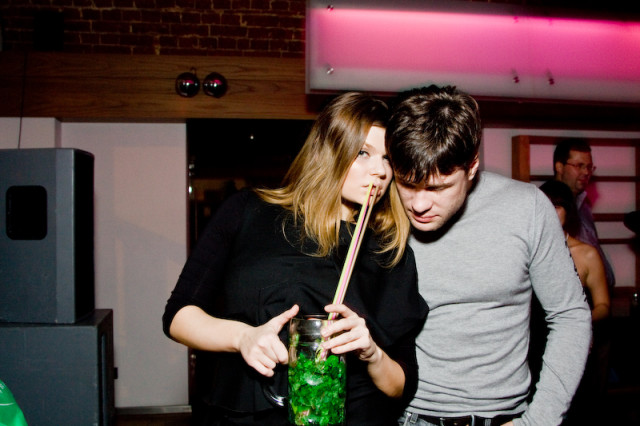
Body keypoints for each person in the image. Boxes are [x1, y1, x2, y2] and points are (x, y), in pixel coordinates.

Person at [162, 92, 428, 425]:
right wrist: (242, 337)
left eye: (388, 159)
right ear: (329, 151)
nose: (380, 171)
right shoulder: (247, 212)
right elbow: (178, 317)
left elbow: (401, 385)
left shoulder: (389, 251)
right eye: (363, 153)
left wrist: (372, 353)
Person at [385, 85, 592, 426]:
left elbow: (570, 315)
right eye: (407, 183)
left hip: (505, 417)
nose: (419, 205)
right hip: (409, 416)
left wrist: (538, 421)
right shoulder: (380, 212)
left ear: (471, 167)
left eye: (437, 188)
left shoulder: (527, 208)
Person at [538, 180, 611, 425]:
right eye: (546, 205)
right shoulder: (527, 252)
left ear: (568, 210)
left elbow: (603, 305)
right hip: (532, 345)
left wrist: (581, 323)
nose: (551, 211)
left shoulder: (587, 254)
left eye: (557, 206)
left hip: (570, 344)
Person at [552, 138, 616, 289]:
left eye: (589, 167)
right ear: (559, 167)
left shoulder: (583, 205)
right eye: (579, 166)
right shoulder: (547, 206)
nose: (586, 172)